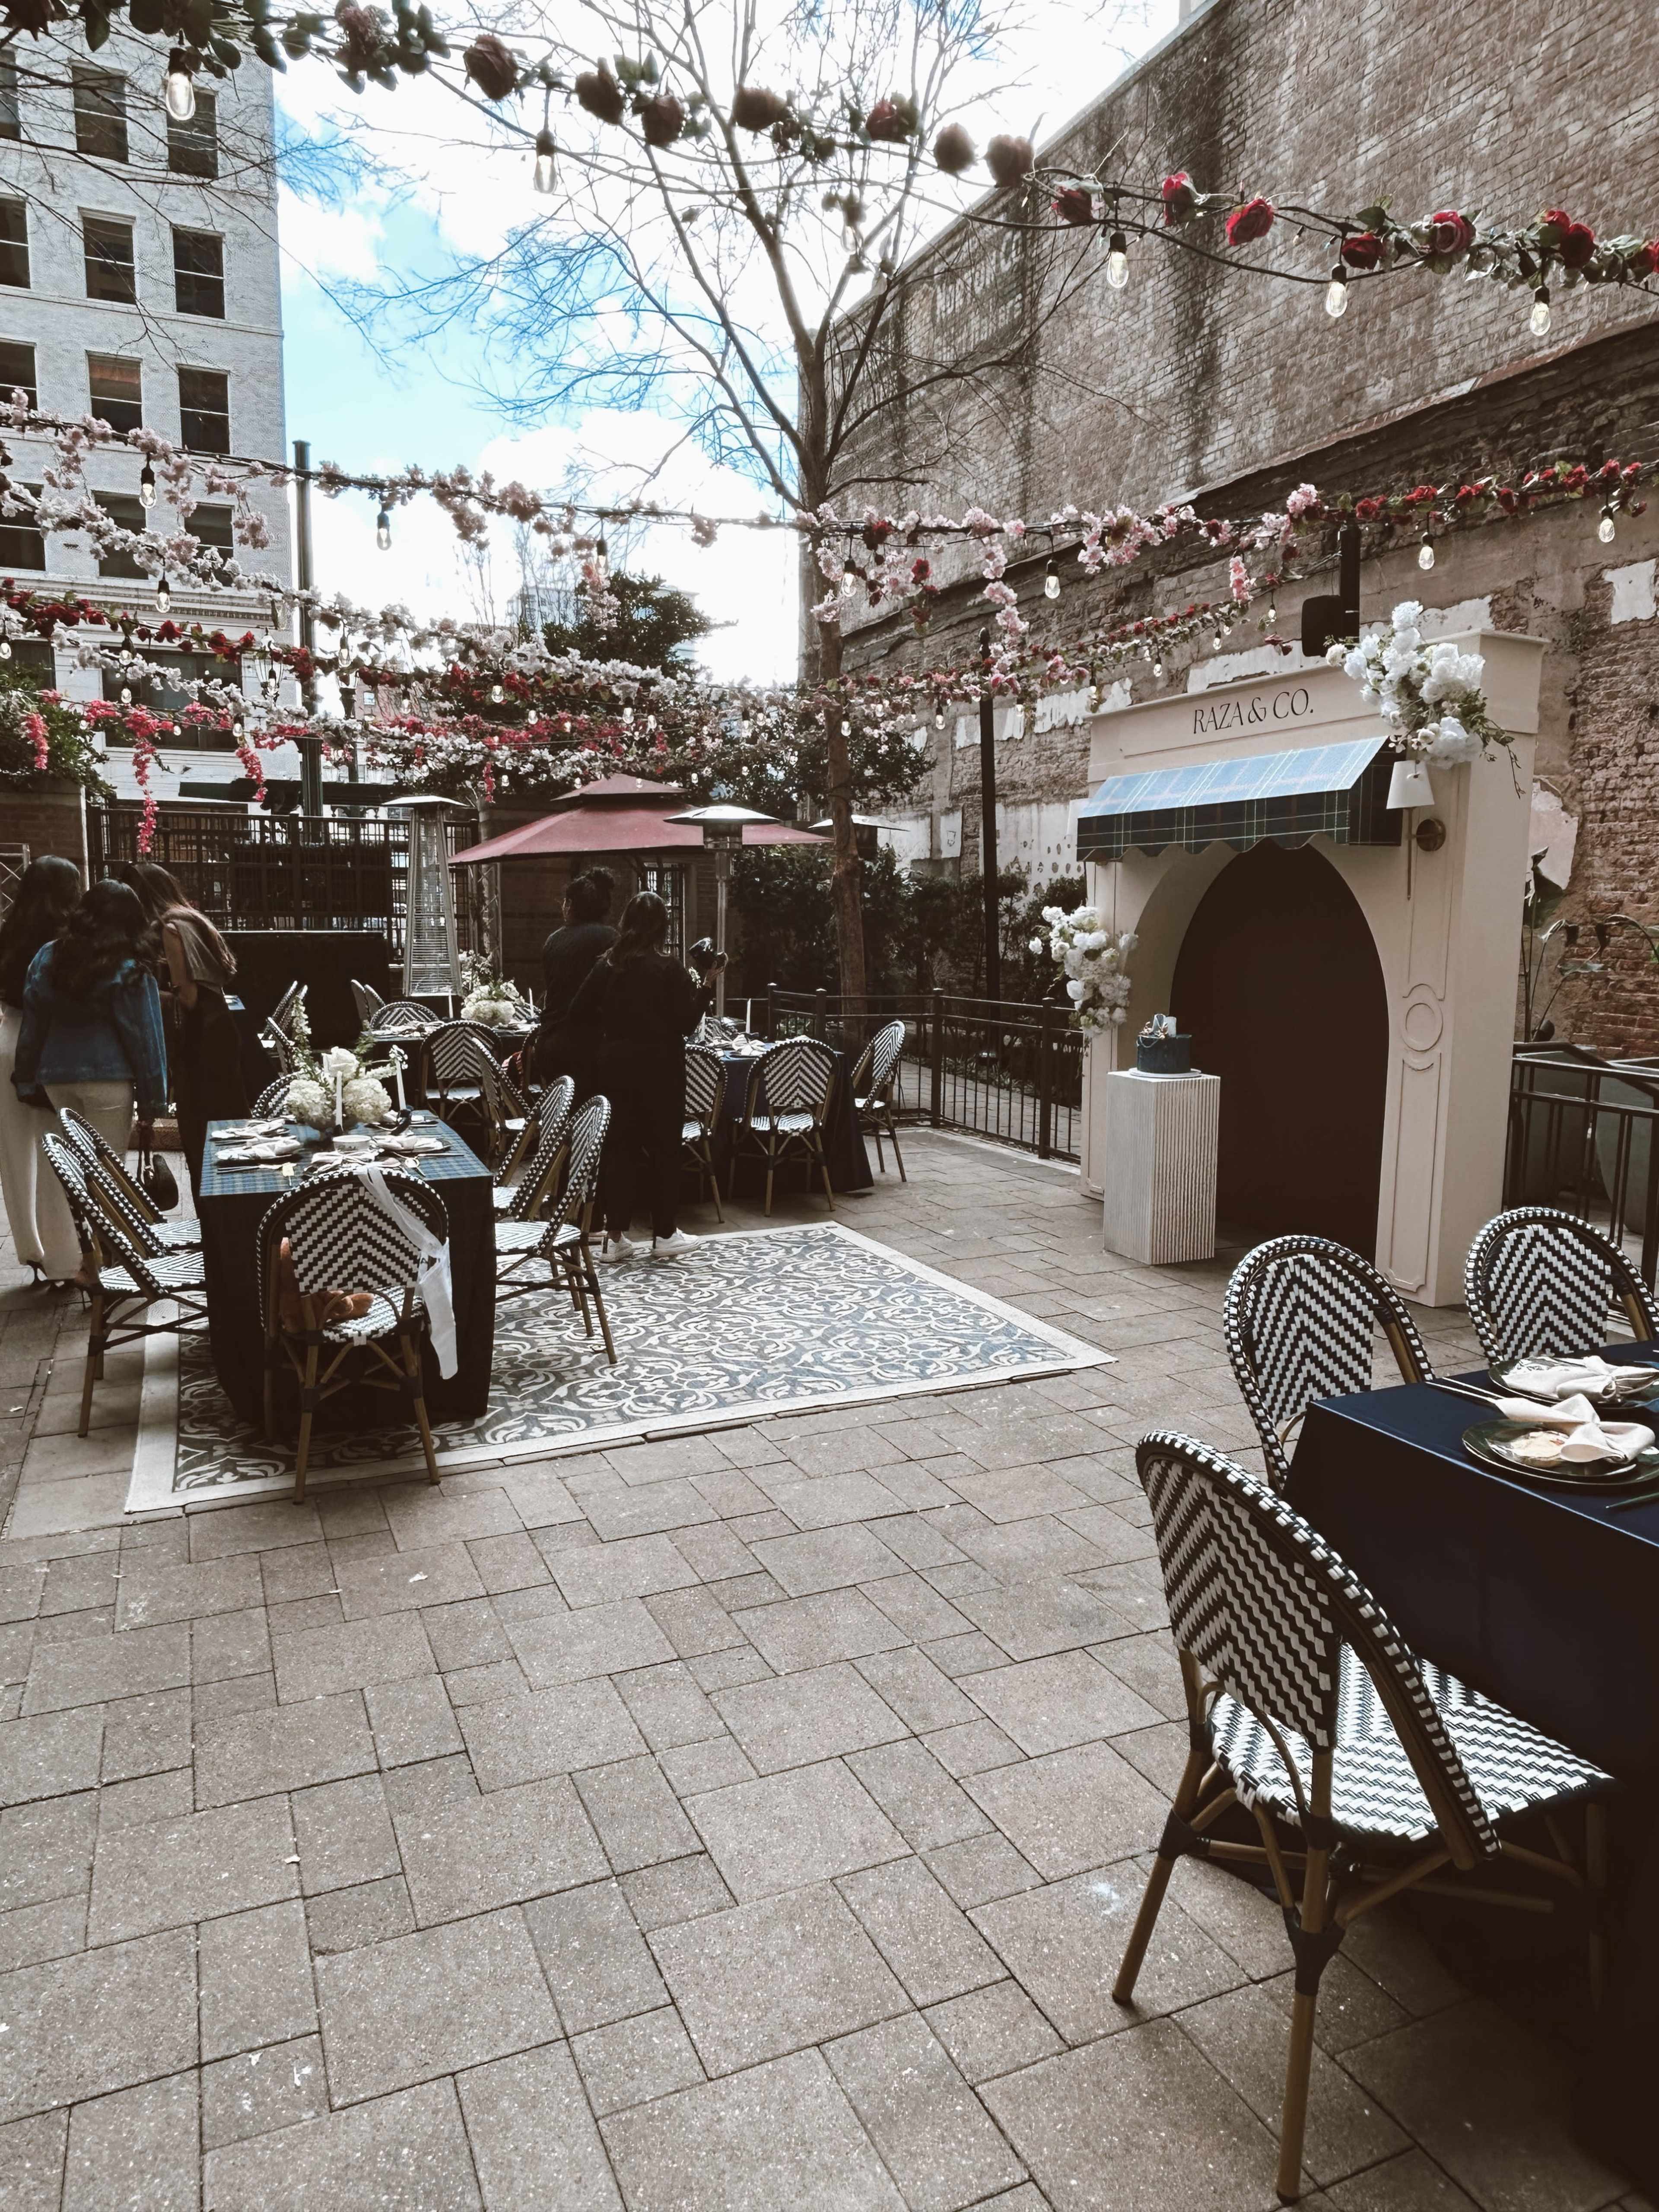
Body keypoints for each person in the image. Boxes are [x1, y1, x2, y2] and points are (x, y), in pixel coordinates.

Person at [12, 878, 168, 1289]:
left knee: (65, 1173)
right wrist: (155, 1101)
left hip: (55, 1078)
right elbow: (145, 1038)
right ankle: (109, 1267)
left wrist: (26, 1077)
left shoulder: (48, 956)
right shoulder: (130, 967)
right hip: (109, 1080)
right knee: (105, 1176)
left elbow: (34, 1024)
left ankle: (73, 1261)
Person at [569, 890, 722, 1260]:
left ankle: (615, 1236)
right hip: (660, 1067)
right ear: (663, 927)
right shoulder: (668, 968)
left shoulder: (607, 964)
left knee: (618, 1148)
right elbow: (687, 1023)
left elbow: (577, 1011)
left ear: (626, 923)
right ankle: (665, 1234)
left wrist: (607, 1038)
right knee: (664, 1149)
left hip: (615, 1065)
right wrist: (707, 984)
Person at [114, 860, 247, 1191]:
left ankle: (215, 1218)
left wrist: (143, 991)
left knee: (199, 1128)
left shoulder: (169, 929)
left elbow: (187, 997)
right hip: (219, 1029)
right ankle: (230, 1207)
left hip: (202, 1038)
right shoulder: (191, 919)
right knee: (226, 1123)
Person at [0, 856, 83, 1283]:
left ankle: (31, 1250)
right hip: (49, 1044)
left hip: (7, 1037)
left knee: (14, 1155)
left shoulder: (8, 932)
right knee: (55, 1151)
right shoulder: (66, 940)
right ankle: (65, 1258)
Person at [534, 868, 618, 1091]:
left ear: (571, 905)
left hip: (549, 1042)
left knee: (561, 1115)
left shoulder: (553, 940)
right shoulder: (609, 938)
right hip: (587, 1045)